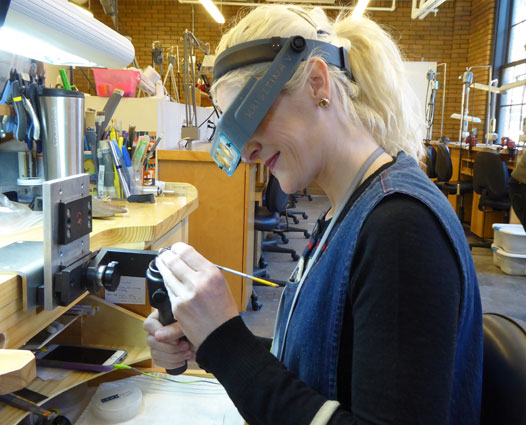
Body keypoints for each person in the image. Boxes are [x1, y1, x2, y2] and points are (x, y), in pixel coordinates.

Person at [144, 5, 483, 424]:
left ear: (318, 83)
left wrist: (226, 342)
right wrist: (206, 339)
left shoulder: (400, 228)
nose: (247, 150)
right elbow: (329, 361)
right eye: (233, 131)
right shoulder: (348, 209)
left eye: (251, 117)